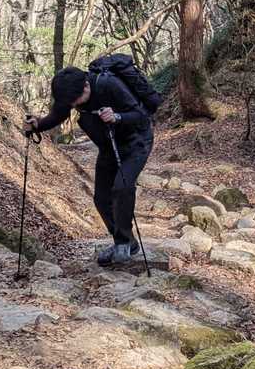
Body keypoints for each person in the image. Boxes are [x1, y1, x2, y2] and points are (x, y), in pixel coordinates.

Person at [24, 64, 156, 266]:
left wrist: (117, 117)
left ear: (86, 86)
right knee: (101, 199)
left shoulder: (109, 85)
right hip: (108, 146)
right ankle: (127, 242)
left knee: (122, 187)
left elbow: (141, 115)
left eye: (75, 101)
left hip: (136, 142)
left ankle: (123, 244)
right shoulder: (70, 93)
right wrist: (38, 125)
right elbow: (58, 115)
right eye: (70, 102)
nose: (73, 105)